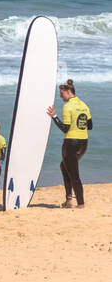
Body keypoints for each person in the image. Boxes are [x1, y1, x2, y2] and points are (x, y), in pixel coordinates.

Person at [47, 78, 92, 208]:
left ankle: (81, 204)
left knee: (73, 174)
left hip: (71, 144)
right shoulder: (84, 105)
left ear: (68, 92)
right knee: (64, 166)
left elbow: (65, 128)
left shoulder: (67, 107)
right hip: (83, 144)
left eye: (61, 94)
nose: (61, 97)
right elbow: (89, 126)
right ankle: (68, 200)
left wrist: (54, 117)